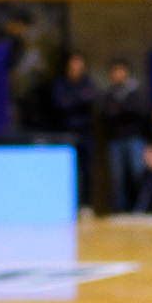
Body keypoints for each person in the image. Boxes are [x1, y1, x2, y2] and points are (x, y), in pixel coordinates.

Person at [100, 60, 151, 213]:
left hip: (135, 138)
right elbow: (106, 114)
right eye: (115, 71)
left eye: (121, 71)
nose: (118, 74)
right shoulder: (109, 93)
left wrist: (119, 111)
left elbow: (140, 111)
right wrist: (125, 111)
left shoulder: (136, 91)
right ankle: (121, 210)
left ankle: (140, 208)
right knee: (118, 178)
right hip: (115, 140)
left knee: (137, 173)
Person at [50, 51, 96, 214]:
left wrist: (73, 100)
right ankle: (70, 205)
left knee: (87, 170)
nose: (77, 68)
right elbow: (61, 104)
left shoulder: (87, 82)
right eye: (74, 65)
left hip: (86, 132)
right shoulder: (60, 83)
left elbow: (92, 99)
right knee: (69, 171)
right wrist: (79, 99)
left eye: (79, 65)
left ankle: (86, 205)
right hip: (67, 134)